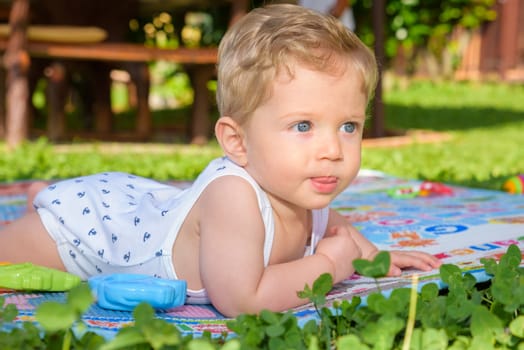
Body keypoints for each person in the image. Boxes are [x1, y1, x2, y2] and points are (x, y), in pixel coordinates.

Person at [0, 4, 441, 317]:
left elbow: (341, 232)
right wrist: (331, 265)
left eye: (348, 126)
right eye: (303, 126)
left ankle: (41, 195)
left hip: (144, 207)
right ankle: (44, 206)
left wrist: (376, 254)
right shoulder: (235, 197)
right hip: (90, 231)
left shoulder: (305, 187)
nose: (333, 150)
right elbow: (242, 301)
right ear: (237, 141)